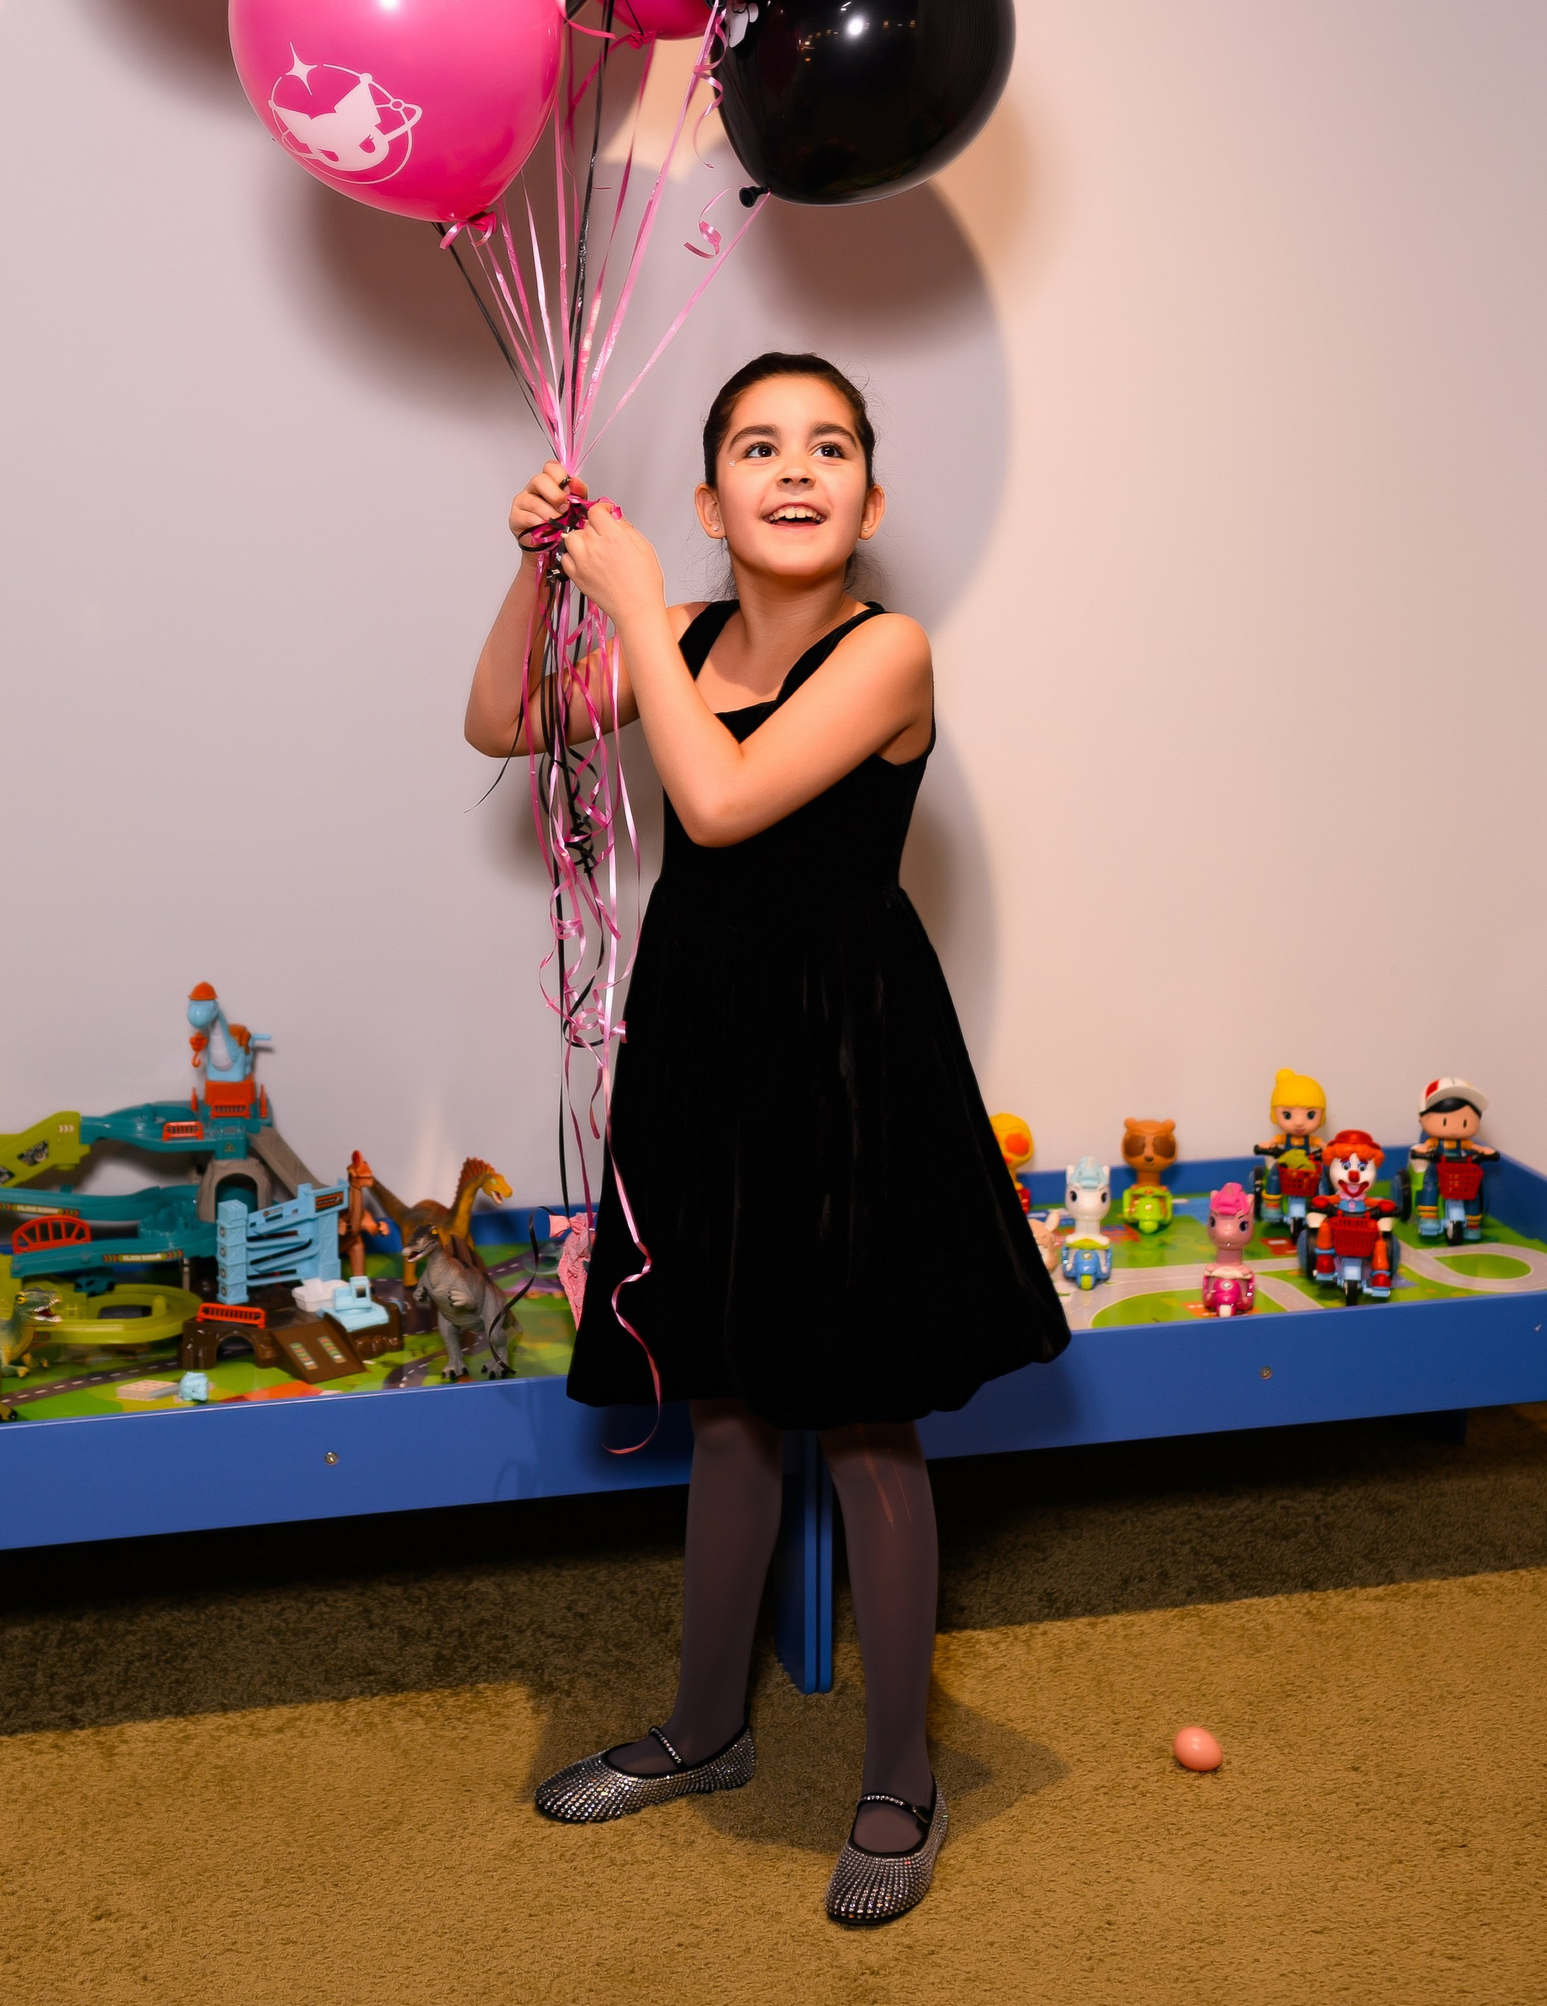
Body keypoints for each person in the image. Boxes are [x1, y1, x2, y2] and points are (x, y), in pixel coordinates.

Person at [465, 351, 1069, 1927]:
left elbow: (722, 798)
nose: (794, 468)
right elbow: (500, 720)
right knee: (727, 1403)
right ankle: (703, 1727)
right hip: (704, 1049)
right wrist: (542, 578)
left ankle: (901, 1775)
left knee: (863, 1419)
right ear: (710, 496)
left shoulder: (888, 651)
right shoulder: (676, 637)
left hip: (845, 1061)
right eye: (757, 445)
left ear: (870, 500)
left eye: (827, 446)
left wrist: (633, 602)